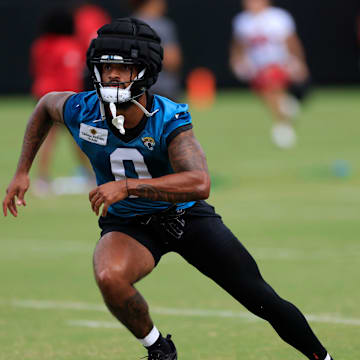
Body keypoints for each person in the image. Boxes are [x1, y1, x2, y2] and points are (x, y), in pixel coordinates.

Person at [3, 18, 334, 360]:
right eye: (105, 68)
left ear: (144, 70)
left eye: (124, 68)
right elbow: (44, 106)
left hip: (185, 219)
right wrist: (22, 171)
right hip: (130, 226)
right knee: (109, 276)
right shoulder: (83, 109)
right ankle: (159, 348)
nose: (112, 76)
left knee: (261, 298)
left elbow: (199, 183)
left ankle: (322, 357)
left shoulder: (168, 118)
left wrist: (128, 186)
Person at [29, 7, 93, 195]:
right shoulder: (69, 46)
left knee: (46, 137)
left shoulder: (39, 45)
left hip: (41, 95)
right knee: (80, 137)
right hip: (64, 98)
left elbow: (35, 71)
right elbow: (71, 76)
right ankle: (90, 175)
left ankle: (42, 178)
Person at [230, 0, 310, 149]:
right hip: (256, 66)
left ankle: (283, 127)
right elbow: (238, 44)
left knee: (272, 89)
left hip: (278, 62)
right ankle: (287, 106)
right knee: (266, 95)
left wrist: (298, 61)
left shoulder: (278, 17)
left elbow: (291, 41)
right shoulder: (242, 21)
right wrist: (237, 61)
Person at [130, 0, 183, 101]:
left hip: (135, 91)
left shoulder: (127, 25)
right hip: (163, 91)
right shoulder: (163, 25)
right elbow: (172, 61)